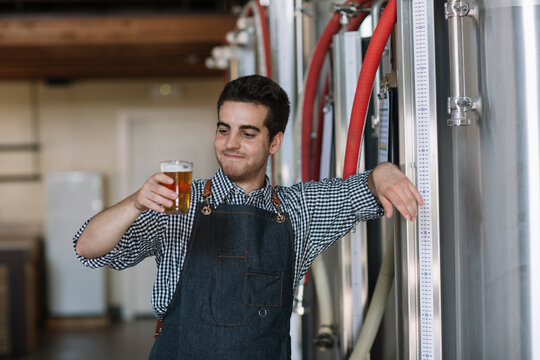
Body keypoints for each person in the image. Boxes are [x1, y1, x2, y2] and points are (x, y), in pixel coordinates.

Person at [74, 75, 423, 359]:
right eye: (224, 129)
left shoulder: (298, 209)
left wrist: (384, 172)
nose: (230, 143)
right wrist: (135, 202)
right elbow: (87, 247)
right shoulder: (176, 203)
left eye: (248, 133)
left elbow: (363, 189)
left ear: (275, 143)